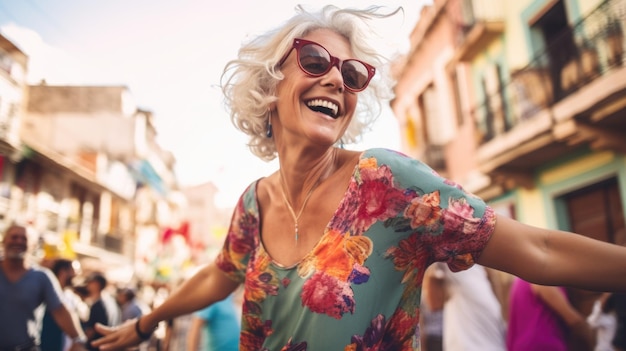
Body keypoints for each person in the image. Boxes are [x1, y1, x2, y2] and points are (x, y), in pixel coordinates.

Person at [93, 5, 626, 351]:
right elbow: (220, 273)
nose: (335, 78)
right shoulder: (252, 204)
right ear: (270, 83)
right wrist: (145, 323)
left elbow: (540, 249)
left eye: (352, 75)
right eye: (315, 59)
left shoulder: (387, 183)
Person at [0, 223, 87, 351]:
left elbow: (61, 311)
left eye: (24, 239)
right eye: (14, 237)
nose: (18, 241)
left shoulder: (42, 277)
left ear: (33, 245)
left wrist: (78, 340)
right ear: (4, 240)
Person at [424, 262, 507, 350]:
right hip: (476, 337)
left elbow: (435, 303)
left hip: (478, 336)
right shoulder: (459, 264)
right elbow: (435, 303)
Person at [506, 277, 594, 351]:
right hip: (543, 345)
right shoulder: (540, 276)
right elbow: (573, 319)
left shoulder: (522, 277)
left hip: (523, 345)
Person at [40, 258, 84, 351]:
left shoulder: (71, 296)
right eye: (74, 271)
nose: (77, 274)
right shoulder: (46, 294)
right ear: (63, 271)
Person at [83, 272, 121, 350]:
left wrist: (81, 343)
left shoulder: (98, 305)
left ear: (97, 284)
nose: (88, 285)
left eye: (90, 282)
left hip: (97, 345)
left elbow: (92, 330)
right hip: (106, 344)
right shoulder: (110, 301)